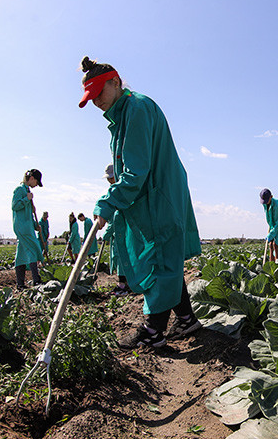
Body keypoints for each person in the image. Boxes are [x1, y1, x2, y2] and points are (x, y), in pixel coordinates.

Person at [79, 55, 202, 349]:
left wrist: (108, 203)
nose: (96, 102)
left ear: (116, 82)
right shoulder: (124, 113)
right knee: (163, 258)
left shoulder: (136, 108)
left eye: (99, 93)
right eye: (91, 98)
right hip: (152, 195)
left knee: (157, 259)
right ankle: (186, 319)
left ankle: (153, 331)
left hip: (158, 194)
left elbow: (135, 171)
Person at [12, 170, 45, 290]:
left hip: (27, 226)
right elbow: (15, 206)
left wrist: (36, 225)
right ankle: (36, 280)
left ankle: (20, 284)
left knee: (21, 253)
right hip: (22, 227)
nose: (36, 184)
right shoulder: (20, 190)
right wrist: (27, 199)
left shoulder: (27, 191)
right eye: (36, 181)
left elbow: (28, 214)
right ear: (31, 178)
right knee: (33, 249)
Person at [102, 163, 130, 295]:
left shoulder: (120, 191)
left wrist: (107, 234)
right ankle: (126, 284)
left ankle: (123, 285)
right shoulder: (116, 190)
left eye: (111, 177)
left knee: (121, 258)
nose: (109, 180)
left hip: (121, 231)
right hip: (120, 231)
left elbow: (114, 217)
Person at [260, 188, 278, 262]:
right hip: (272, 224)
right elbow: (269, 216)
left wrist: (271, 234)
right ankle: (271, 263)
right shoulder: (265, 204)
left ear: (271, 197)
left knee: (276, 244)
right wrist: (270, 229)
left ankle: (277, 264)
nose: (265, 203)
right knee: (270, 244)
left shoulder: (277, 205)